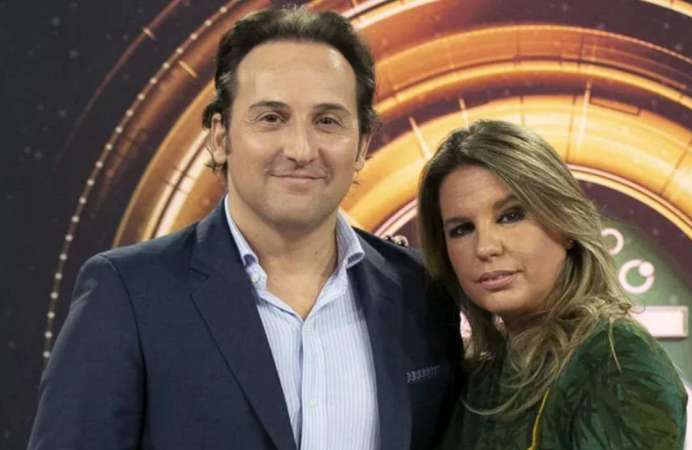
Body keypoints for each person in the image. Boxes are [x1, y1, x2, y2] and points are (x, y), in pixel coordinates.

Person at [28, 7, 461, 450]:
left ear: (362, 144)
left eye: (327, 121)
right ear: (220, 137)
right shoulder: (128, 294)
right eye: (271, 117)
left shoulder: (422, 290)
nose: (300, 149)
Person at [417, 120, 687, 449]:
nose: (485, 247)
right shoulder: (484, 375)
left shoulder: (616, 357)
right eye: (461, 229)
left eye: (511, 216)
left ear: (565, 224)